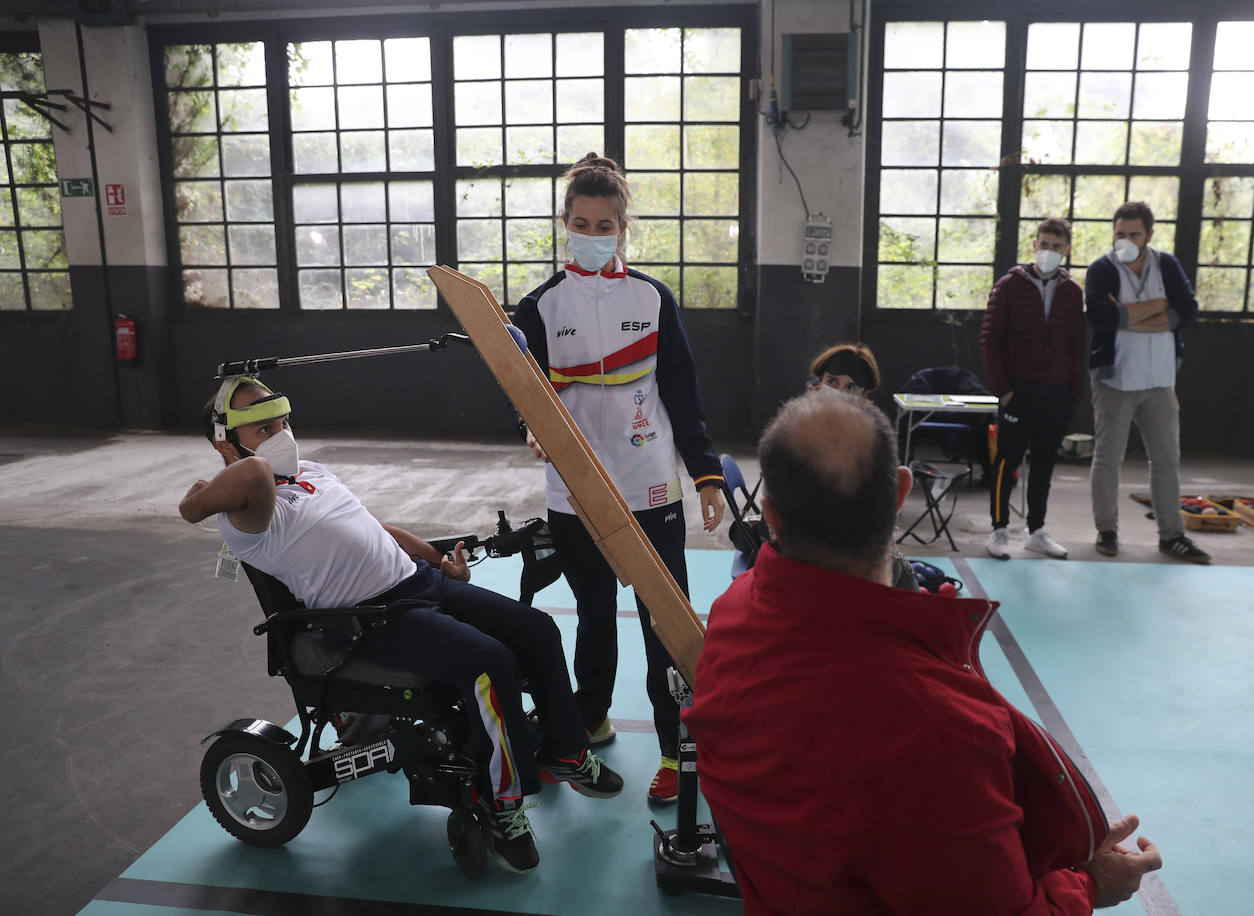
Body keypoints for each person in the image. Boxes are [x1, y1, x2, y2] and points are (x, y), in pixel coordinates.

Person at [682, 393, 1164, 914]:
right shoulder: (939, 728)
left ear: (772, 517)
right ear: (900, 493)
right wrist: (1089, 885)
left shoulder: (729, 614)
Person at [178, 376, 624, 875]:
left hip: (420, 582)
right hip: (372, 618)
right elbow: (254, 473)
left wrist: (438, 561)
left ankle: (565, 751)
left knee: (538, 630)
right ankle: (504, 805)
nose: (283, 434)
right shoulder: (246, 515)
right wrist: (196, 500)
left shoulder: (311, 472)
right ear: (225, 441)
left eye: (283, 422)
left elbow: (376, 526)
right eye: (265, 428)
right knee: (489, 663)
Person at [512, 153, 728, 806]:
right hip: (574, 491)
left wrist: (707, 474)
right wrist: (531, 427)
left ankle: (674, 748)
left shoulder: (653, 299)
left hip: (649, 486)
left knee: (665, 621)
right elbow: (525, 393)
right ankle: (591, 717)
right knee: (593, 614)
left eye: (603, 226)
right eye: (580, 224)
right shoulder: (539, 307)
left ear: (622, 228)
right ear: (565, 224)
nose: (591, 235)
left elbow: (683, 390)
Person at [1085, 201, 1210, 564]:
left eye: (1134, 234)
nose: (1125, 240)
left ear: (1149, 235)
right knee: (1108, 459)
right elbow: (1102, 317)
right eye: (1119, 234)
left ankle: (1172, 535)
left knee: (1167, 459)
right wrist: (1159, 306)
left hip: (1160, 380)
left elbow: (1187, 311)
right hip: (1115, 379)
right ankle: (1107, 531)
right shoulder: (1101, 270)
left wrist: (1128, 317)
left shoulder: (1166, 264)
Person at [980, 217, 1084, 561]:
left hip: (1057, 394)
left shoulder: (1072, 292)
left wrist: (1073, 393)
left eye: (1057, 246)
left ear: (1066, 250)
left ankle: (1036, 531)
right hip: (1018, 391)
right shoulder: (1009, 286)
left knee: (1044, 465)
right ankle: (999, 529)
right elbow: (989, 341)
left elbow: (1077, 344)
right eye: (1044, 244)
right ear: (1035, 245)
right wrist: (1004, 391)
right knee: (1006, 463)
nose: (1049, 251)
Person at [804, 342, 880, 398]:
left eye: (850, 388)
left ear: (864, 395)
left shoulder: (871, 416)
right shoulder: (799, 413)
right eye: (832, 382)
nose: (839, 392)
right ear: (819, 381)